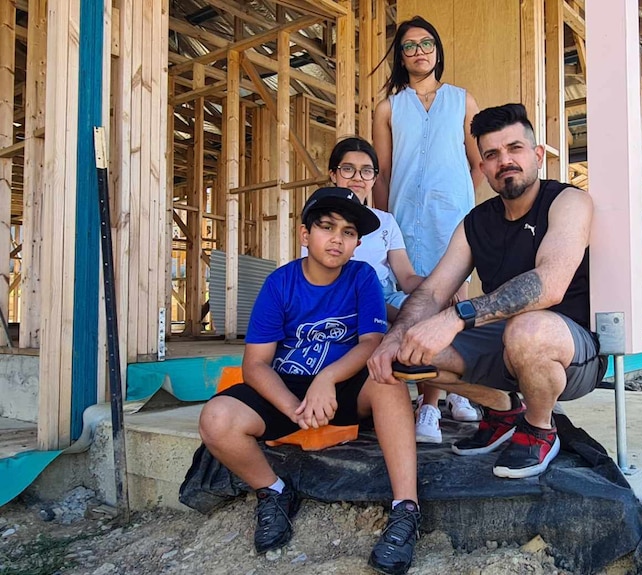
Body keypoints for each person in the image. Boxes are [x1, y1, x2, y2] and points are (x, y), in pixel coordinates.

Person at [368, 103, 608, 479]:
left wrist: (455, 317)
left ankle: (539, 427)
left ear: (538, 155)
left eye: (515, 149)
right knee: (406, 352)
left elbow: (550, 283)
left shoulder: (568, 202)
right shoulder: (476, 222)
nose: (505, 161)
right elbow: (431, 292)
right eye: (492, 155)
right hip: (503, 344)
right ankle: (502, 411)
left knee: (527, 330)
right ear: (482, 168)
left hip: (568, 349)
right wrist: (393, 337)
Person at [198, 187, 419, 575]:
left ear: (357, 243)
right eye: (327, 227)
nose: (337, 238)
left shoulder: (362, 277)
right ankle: (274, 492)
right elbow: (256, 365)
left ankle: (406, 509)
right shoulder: (279, 284)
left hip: (346, 384)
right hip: (287, 386)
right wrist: (292, 408)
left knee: (389, 379)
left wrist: (327, 380)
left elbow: (371, 342)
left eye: (349, 232)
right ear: (305, 234)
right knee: (216, 420)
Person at [372, 15, 483, 440]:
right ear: (400, 57)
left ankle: (450, 395)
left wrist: (461, 204)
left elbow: (476, 163)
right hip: (405, 222)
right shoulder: (389, 108)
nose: (419, 51)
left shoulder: (462, 100)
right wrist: (387, 226)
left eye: (426, 43)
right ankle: (430, 404)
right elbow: (382, 173)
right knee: (417, 307)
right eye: (409, 46)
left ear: (437, 49)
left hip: (450, 222)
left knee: (454, 306)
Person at [303, 137, 422, 322]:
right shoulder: (319, 218)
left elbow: (406, 278)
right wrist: (399, 317)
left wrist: (439, 289)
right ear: (333, 174)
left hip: (385, 297)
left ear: (374, 178)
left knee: (427, 312)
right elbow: (318, 281)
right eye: (348, 169)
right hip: (337, 298)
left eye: (366, 171)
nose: (357, 177)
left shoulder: (386, 221)